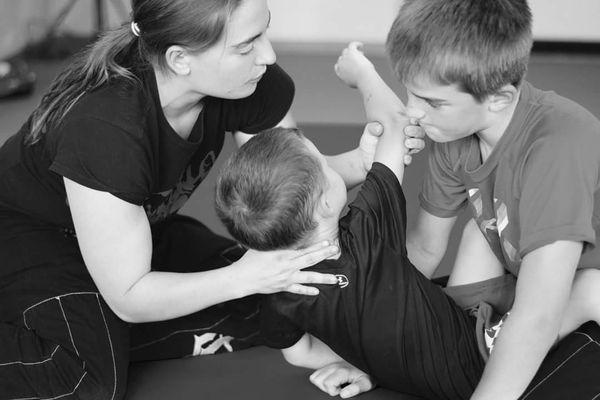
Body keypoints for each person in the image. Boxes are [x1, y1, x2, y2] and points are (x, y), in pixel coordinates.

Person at [0, 1, 424, 399]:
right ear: (180, 59)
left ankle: (93, 321)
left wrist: (362, 161)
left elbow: (295, 184)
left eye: (264, 33)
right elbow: (129, 295)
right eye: (246, 46)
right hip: (32, 240)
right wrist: (246, 275)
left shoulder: (249, 82)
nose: (269, 55)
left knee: (279, 302)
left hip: (132, 231)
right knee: (86, 378)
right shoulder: (108, 125)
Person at [215, 38, 600, 399]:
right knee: (590, 288)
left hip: (423, 358)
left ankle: (507, 302)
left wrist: (371, 361)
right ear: (326, 204)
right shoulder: (366, 228)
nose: (332, 162)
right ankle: (516, 315)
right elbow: (395, 124)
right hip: (474, 363)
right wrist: (361, 72)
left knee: (480, 231)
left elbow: (301, 354)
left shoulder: (278, 293)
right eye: (323, 161)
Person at [378, 0, 600, 399]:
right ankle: (484, 338)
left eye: (432, 102)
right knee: (478, 233)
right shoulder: (455, 134)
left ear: (498, 98)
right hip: (530, 275)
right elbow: (424, 248)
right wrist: (377, 359)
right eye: (410, 94)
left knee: (590, 290)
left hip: (580, 294)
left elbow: (538, 317)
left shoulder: (560, 144)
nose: (413, 113)